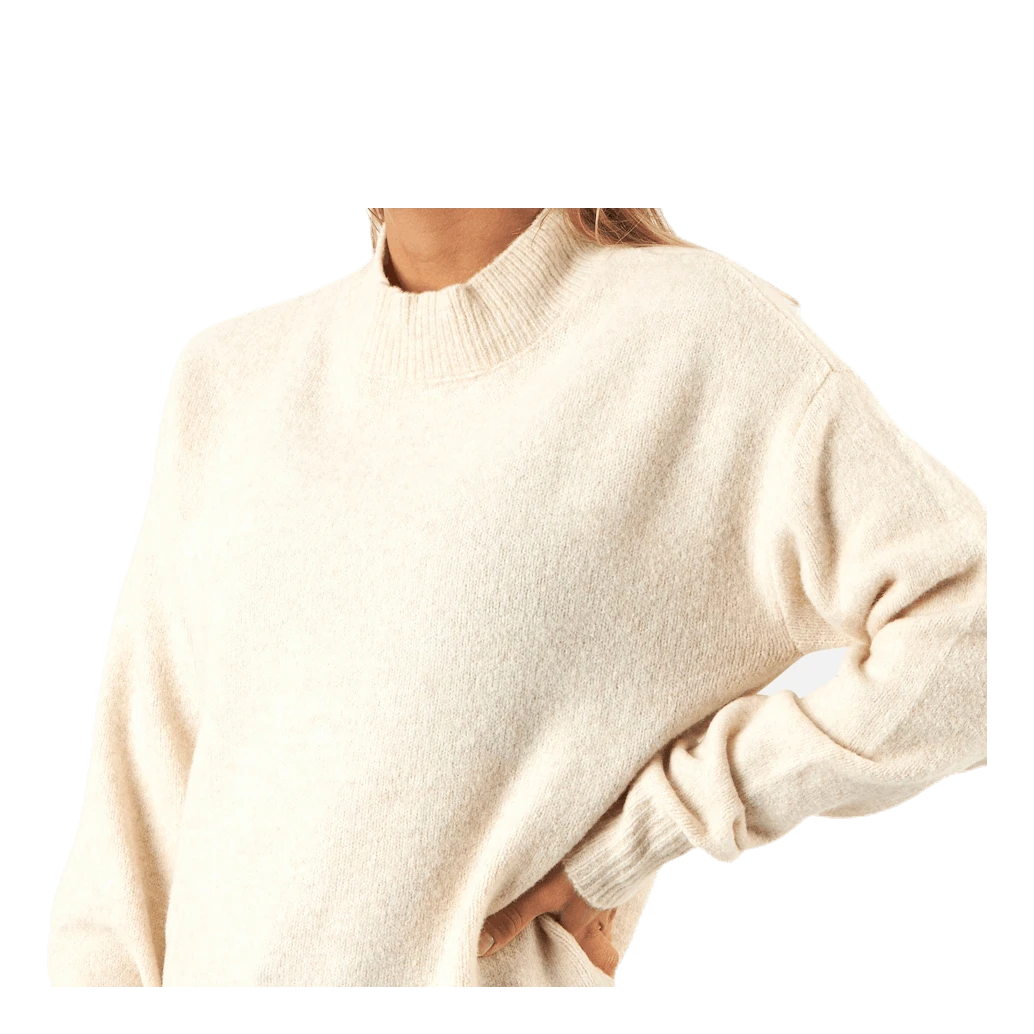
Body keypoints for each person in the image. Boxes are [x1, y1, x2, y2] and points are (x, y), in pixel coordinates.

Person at [46, 208, 989, 991]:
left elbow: (973, 621)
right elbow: (130, 837)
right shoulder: (231, 379)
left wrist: (667, 821)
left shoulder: (693, 340)